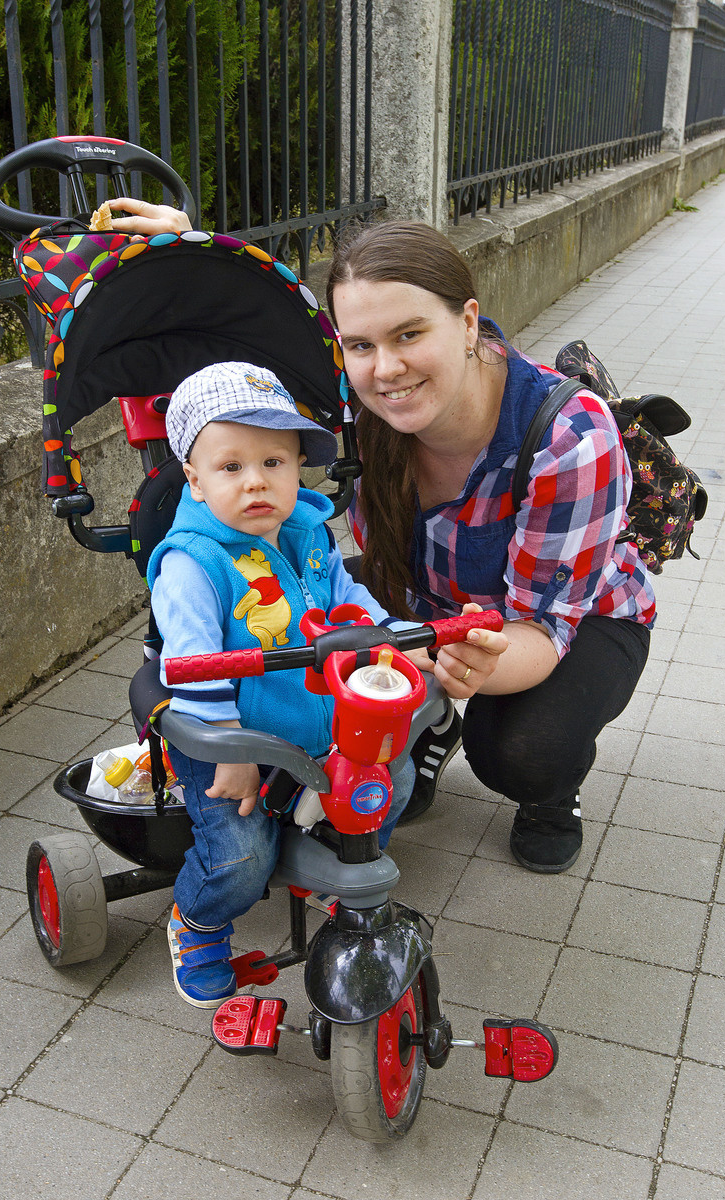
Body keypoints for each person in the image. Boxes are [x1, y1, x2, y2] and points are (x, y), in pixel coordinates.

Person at [110, 200, 651, 877]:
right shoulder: (359, 397)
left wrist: (447, 670)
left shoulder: (570, 435)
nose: (385, 368)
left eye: (409, 334)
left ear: (469, 321)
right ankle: (414, 729)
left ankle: (550, 793)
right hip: (424, 600)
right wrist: (189, 254)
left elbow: (540, 630)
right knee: (278, 633)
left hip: (559, 622)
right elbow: (263, 344)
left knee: (521, 750)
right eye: (361, 346)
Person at [146, 360, 435, 1008]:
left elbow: (345, 594)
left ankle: (338, 864)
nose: (256, 482)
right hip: (235, 743)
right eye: (231, 467)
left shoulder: (306, 529)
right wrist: (233, 751)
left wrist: (394, 634)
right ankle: (196, 919)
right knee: (241, 861)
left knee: (400, 781)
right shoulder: (192, 564)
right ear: (193, 477)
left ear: (299, 463)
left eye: (274, 462)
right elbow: (189, 667)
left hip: (324, 726)